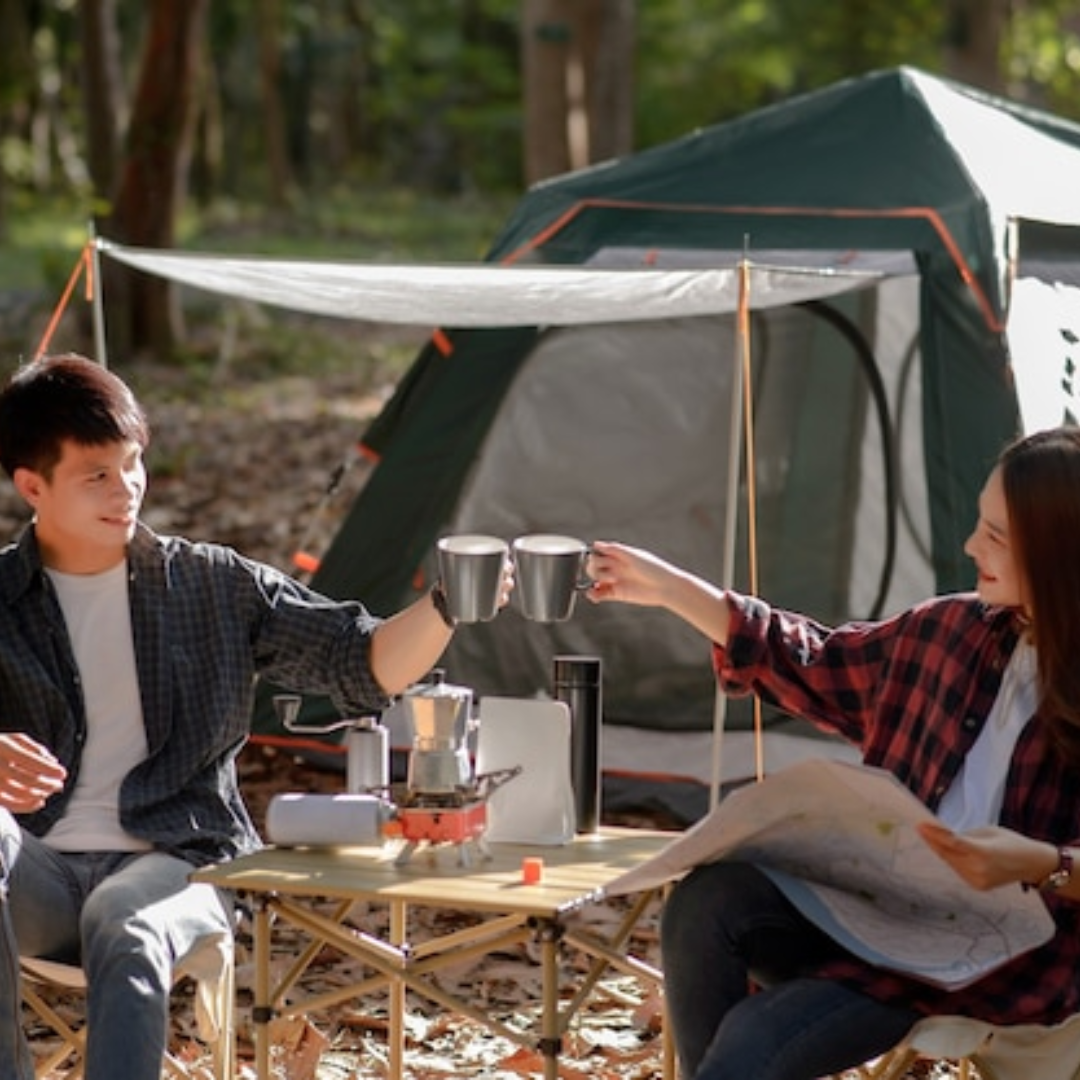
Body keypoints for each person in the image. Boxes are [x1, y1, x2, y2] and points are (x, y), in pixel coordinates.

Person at [0, 353, 511, 1080]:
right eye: (97, 476)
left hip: (173, 863)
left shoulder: (211, 585)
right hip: (38, 876)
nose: (128, 489)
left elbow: (358, 660)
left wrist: (446, 606)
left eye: (134, 464)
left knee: (124, 923)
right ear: (32, 486)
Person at [584, 425, 1080, 1080]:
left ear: (1055, 552)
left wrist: (1045, 864)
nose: (970, 546)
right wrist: (675, 591)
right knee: (709, 900)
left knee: (756, 1043)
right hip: (885, 914)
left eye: (996, 535)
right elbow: (811, 661)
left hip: (1009, 958)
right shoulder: (947, 633)